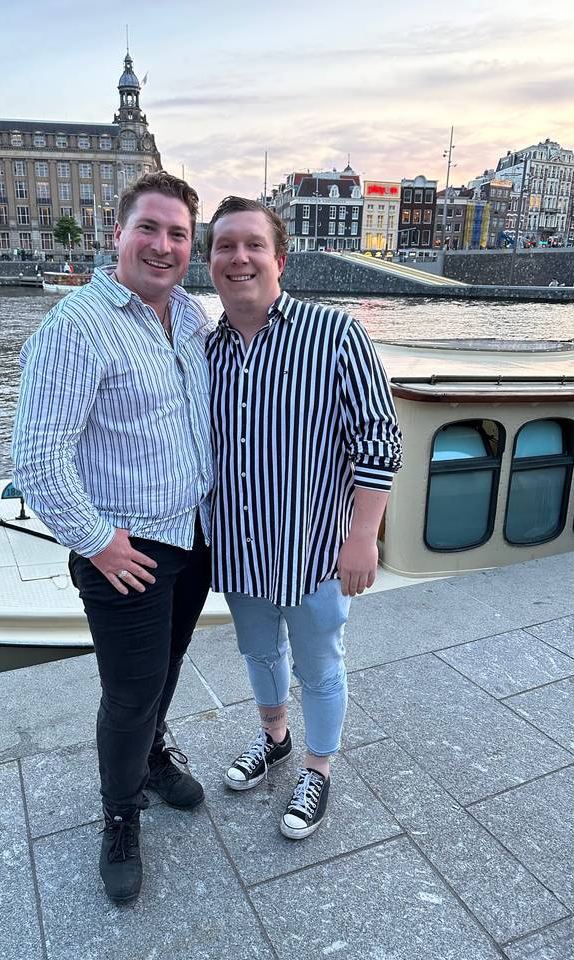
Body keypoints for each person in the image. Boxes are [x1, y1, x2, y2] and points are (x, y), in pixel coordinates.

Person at [12, 172, 215, 904]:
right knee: (128, 695)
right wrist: (96, 542)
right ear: (118, 234)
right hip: (123, 547)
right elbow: (38, 458)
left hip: (190, 535)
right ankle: (120, 815)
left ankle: (151, 760)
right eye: (149, 229)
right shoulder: (76, 326)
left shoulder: (189, 317)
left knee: (168, 667)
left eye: (178, 235)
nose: (163, 246)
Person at [205, 197, 402, 840]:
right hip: (237, 548)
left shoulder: (335, 335)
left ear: (279, 259)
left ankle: (318, 766)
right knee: (259, 652)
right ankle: (275, 737)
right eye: (224, 246)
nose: (239, 257)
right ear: (210, 263)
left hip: (315, 545)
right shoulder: (206, 351)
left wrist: (363, 535)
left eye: (252, 245)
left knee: (319, 662)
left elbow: (379, 438)